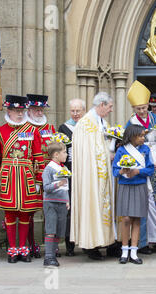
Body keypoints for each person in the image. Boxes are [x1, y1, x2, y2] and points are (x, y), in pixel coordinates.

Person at [0, 95, 45, 263]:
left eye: (21, 111)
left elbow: (38, 157)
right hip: (7, 175)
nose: (20, 114)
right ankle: (12, 248)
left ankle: (23, 247)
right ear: (9, 111)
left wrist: (38, 180)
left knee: (26, 213)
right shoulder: (1, 131)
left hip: (26, 176)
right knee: (10, 213)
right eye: (16, 111)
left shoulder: (32, 130)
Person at [125, 81, 156, 254]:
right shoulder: (131, 123)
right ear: (134, 108)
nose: (142, 111)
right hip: (141, 163)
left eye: (144, 108)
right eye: (138, 109)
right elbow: (129, 144)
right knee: (144, 203)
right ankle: (143, 242)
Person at [71, 92, 115, 260]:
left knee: (104, 207)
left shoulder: (103, 122)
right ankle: (90, 245)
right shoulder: (85, 124)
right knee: (91, 205)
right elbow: (87, 152)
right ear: (102, 105)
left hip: (103, 174)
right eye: (110, 106)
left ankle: (106, 241)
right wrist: (106, 153)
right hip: (91, 175)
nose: (111, 110)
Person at [113, 125, 155, 264]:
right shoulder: (121, 150)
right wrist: (122, 171)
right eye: (141, 136)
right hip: (126, 186)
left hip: (140, 185)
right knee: (126, 219)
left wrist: (138, 171)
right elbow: (114, 171)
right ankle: (124, 251)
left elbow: (150, 169)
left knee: (137, 219)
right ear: (132, 136)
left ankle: (134, 252)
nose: (143, 138)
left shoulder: (145, 149)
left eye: (144, 135)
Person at [26, 94, 57, 259]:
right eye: (36, 109)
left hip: (49, 175)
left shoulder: (50, 128)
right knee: (29, 211)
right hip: (30, 176)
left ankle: (52, 245)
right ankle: (31, 243)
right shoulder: (24, 128)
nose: (39, 112)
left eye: (41, 109)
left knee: (50, 211)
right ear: (29, 110)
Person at [57, 98, 86, 256]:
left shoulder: (89, 127)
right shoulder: (63, 127)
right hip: (69, 173)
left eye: (78, 111)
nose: (75, 114)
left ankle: (87, 243)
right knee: (70, 208)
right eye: (73, 111)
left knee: (85, 207)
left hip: (86, 173)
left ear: (83, 111)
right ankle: (69, 245)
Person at [42, 142, 70, 267]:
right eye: (64, 152)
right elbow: (46, 187)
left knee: (59, 230)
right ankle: (48, 256)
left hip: (62, 203)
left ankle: (53, 254)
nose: (66, 154)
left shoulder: (63, 169)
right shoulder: (49, 169)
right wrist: (57, 184)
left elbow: (66, 187)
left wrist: (67, 200)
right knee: (51, 229)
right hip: (51, 203)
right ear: (56, 154)